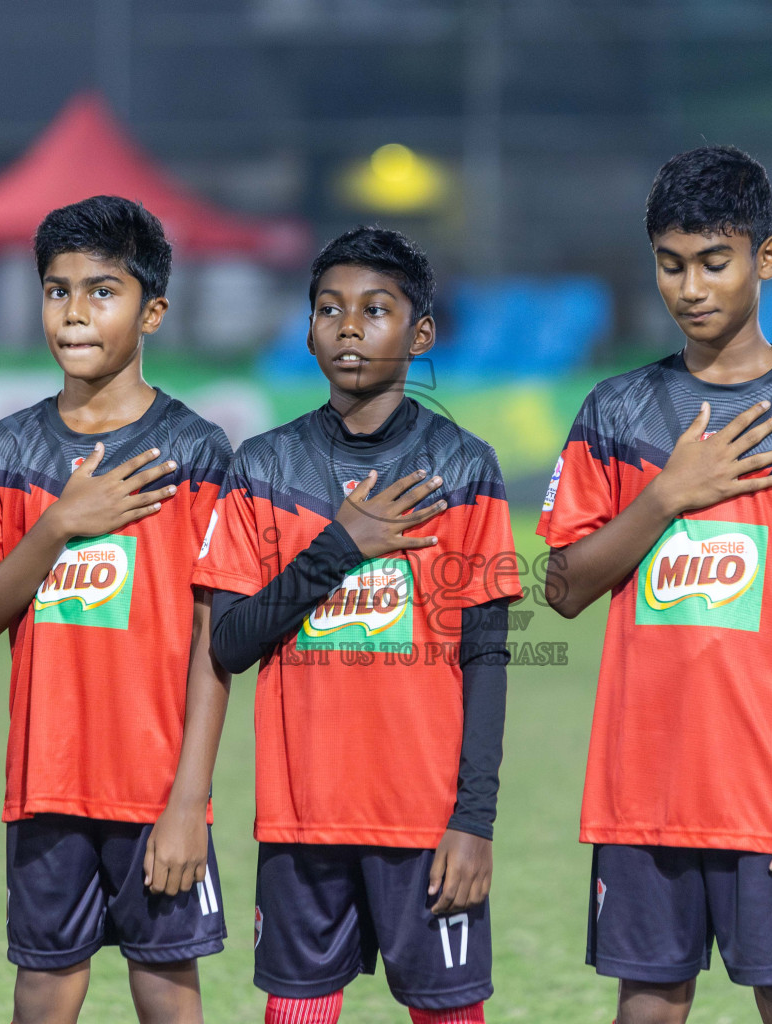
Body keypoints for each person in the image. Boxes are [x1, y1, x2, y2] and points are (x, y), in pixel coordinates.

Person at [539, 146, 772, 1024]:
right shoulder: (618, 413)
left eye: (714, 262)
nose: (690, 286)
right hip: (643, 788)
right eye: (671, 264)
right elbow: (563, 585)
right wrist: (666, 497)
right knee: (648, 1005)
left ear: (767, 259)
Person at [194, 226, 521, 1024]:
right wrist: (341, 543)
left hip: (425, 819)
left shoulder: (464, 467)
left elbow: (485, 657)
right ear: (305, 330)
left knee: (447, 1009)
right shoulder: (265, 468)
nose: (349, 326)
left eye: (376, 310)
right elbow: (230, 643)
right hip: (304, 815)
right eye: (330, 309)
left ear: (420, 335)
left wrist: (473, 822)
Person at [0, 196, 233, 1024]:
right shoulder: (8, 452)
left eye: (102, 291)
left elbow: (215, 643)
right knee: (42, 987)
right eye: (57, 290)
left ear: (153, 312)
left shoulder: (197, 452)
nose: (74, 311)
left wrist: (190, 802)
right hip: (46, 785)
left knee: (167, 986)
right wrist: (59, 524)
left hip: (157, 792)